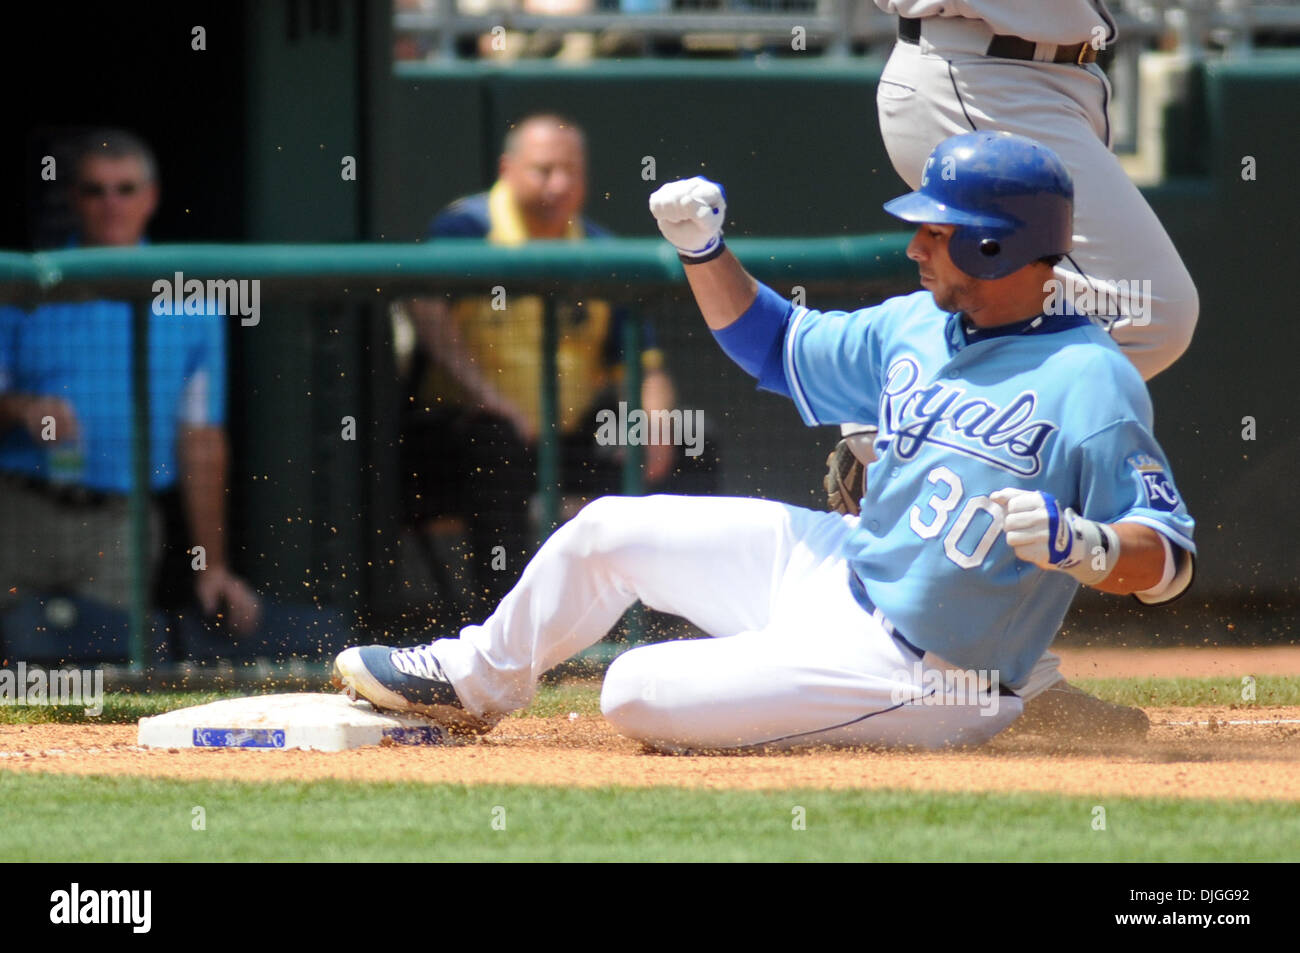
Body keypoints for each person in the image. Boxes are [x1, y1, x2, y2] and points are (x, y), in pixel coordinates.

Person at [332, 132, 1194, 751]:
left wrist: (1089, 545)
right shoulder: (913, 324)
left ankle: (935, 705)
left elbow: (1168, 561)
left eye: (936, 230)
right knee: (605, 532)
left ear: (993, 242)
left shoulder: (1093, 380)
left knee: (634, 688)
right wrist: (705, 252)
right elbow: (772, 343)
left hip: (928, 672)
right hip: (842, 566)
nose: (914, 244)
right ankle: (471, 678)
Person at [821, 2, 1202, 733]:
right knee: (1154, 311)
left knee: (1072, 311)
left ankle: (899, 434)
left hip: (1043, 77)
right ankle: (893, 433)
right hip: (981, 71)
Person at [401, 113, 698, 612]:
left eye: (571, 172)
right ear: (507, 168)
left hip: (568, 438)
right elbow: (423, 306)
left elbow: (644, 367)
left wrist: (654, 421)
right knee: (492, 442)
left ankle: (670, 618)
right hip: (463, 438)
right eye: (543, 170)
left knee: (691, 443)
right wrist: (491, 399)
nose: (558, 185)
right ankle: (508, 627)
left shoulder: (601, 249)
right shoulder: (466, 228)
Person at [0, 129, 260, 645]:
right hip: (18, 510)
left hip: (121, 523)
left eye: (125, 188)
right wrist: (22, 407)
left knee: (107, 674)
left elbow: (201, 439)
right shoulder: (26, 286)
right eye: (95, 190)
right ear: (73, 198)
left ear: (152, 196)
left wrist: (212, 565)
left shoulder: (190, 299)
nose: (111, 204)